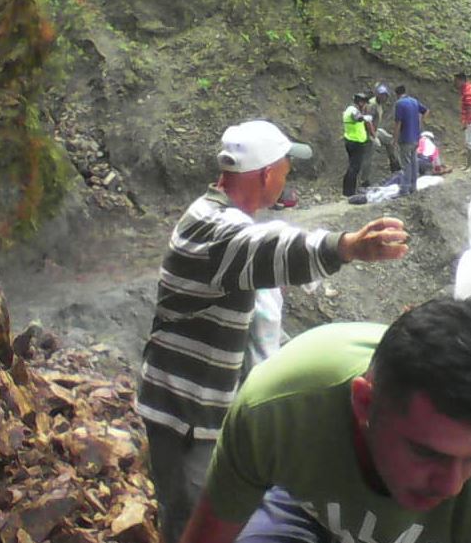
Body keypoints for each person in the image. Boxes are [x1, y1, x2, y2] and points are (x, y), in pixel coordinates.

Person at [137, 119, 410, 543]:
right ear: (266, 174)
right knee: (195, 525)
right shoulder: (216, 230)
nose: (287, 176)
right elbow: (268, 249)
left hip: (197, 409)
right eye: (285, 167)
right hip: (188, 417)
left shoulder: (214, 217)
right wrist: (346, 246)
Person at [178, 296, 471, 543]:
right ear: (364, 403)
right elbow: (209, 535)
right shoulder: (281, 406)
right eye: (428, 453)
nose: (451, 485)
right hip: (306, 517)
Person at [393, 84, 428, 196]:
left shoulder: (399, 104)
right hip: (416, 138)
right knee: (414, 162)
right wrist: (420, 123)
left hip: (406, 139)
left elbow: (398, 123)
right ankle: (413, 187)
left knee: (406, 164)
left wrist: (395, 139)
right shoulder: (414, 101)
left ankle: (404, 189)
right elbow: (426, 111)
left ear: (397, 95)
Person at [365, 83, 400, 181]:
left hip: (376, 130)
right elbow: (368, 121)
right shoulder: (372, 105)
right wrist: (373, 136)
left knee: (390, 140)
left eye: (385, 95)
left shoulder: (379, 104)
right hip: (368, 132)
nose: (383, 97)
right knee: (368, 157)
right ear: (377, 95)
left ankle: (395, 167)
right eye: (381, 95)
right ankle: (365, 181)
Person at [341, 93, 373, 197]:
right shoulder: (352, 110)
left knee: (352, 167)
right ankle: (350, 192)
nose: (364, 106)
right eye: (364, 103)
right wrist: (365, 118)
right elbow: (357, 118)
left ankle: (347, 191)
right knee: (354, 168)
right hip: (356, 143)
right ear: (360, 102)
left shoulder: (350, 109)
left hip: (351, 141)